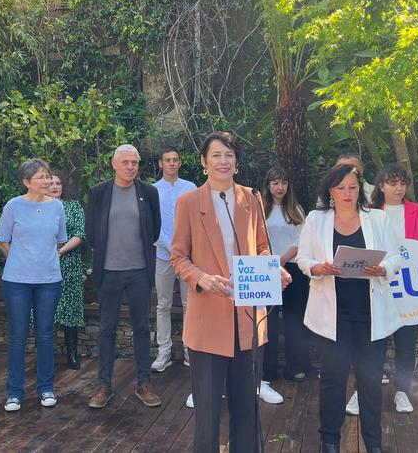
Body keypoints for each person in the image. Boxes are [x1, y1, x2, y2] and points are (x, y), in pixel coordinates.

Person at [171, 131, 291, 453]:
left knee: (246, 409)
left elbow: (263, 247)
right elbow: (178, 256)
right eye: (216, 155)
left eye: (228, 155)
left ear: (236, 163)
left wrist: (272, 268)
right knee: (207, 413)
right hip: (208, 320)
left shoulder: (251, 198)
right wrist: (201, 278)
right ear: (203, 162)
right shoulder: (188, 202)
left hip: (248, 321)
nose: (223, 161)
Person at [297, 163, 402, 453]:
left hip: (370, 314)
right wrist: (317, 267)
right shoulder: (316, 219)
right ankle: (329, 440)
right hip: (333, 316)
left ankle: (373, 442)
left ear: (361, 189)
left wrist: (382, 269)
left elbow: (396, 257)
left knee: (370, 381)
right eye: (340, 188)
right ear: (330, 190)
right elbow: (303, 258)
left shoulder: (377, 219)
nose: (347, 193)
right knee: (333, 379)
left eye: (352, 187)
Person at [86, 144, 162, 409]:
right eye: (126, 162)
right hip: (109, 272)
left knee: (141, 327)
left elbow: (154, 229)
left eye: (135, 162)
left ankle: (144, 383)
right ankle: (104, 385)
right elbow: (91, 231)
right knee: (106, 329)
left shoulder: (149, 193)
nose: (131, 167)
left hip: (139, 272)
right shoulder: (99, 193)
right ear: (114, 164)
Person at [0, 159, 67, 411]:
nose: (48, 181)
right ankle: (14, 392)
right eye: (42, 177)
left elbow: (59, 241)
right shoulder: (13, 206)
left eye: (48, 176)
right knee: (17, 335)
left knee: (45, 334)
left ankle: (46, 388)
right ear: (26, 182)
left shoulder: (57, 206)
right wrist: (20, 261)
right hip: (17, 281)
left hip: (49, 280)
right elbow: (2, 240)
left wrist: (40, 260)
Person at [368, 163, 418, 414]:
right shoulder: (369, 213)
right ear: (381, 185)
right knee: (373, 343)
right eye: (393, 183)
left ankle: (402, 392)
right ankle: (362, 390)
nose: (398, 188)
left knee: (407, 345)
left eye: (402, 183)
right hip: (378, 288)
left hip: (410, 289)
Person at [260, 166, 309, 404]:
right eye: (275, 183)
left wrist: (281, 260)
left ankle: (295, 368)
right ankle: (266, 372)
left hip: (292, 270)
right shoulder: (260, 209)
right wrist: (270, 262)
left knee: (293, 320)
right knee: (267, 321)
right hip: (265, 269)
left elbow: (301, 241)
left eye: (284, 183)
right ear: (268, 186)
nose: (280, 187)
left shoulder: (296, 210)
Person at [151, 146, 196, 373]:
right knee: (163, 305)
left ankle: (190, 349)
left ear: (180, 163)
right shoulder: (152, 190)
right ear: (160, 163)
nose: (171, 163)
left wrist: (183, 249)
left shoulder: (190, 188)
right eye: (167, 160)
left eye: (175, 160)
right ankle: (164, 351)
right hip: (162, 255)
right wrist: (170, 247)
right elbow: (153, 224)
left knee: (190, 304)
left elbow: (196, 222)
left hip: (188, 257)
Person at [47, 170, 86, 370]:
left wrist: (61, 251)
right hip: (43, 266)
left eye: (58, 183)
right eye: (51, 183)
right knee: (45, 311)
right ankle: (46, 355)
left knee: (69, 311)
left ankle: (72, 353)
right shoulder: (38, 207)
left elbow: (80, 233)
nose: (55, 186)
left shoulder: (73, 206)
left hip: (69, 264)